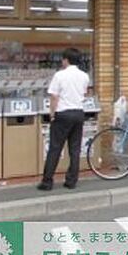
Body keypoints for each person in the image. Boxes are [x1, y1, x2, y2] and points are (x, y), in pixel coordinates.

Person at [37, 48, 89, 191]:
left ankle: (47, 182)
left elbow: (54, 96)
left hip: (62, 114)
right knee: (75, 149)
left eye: (63, 59)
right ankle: (71, 181)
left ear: (66, 60)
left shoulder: (59, 75)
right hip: (78, 113)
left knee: (55, 148)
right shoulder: (84, 76)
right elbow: (84, 94)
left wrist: (52, 113)